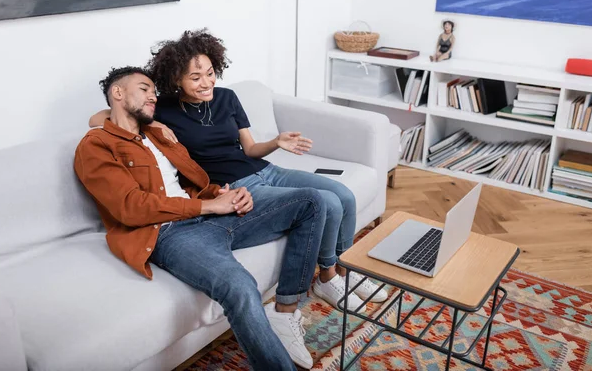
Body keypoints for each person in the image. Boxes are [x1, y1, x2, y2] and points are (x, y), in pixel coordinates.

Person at [89, 29, 388, 311]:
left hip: (266, 169)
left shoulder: (228, 98)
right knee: (328, 202)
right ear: (176, 79)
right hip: (236, 184)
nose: (206, 83)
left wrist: (275, 142)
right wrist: (154, 123)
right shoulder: (161, 107)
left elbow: (250, 149)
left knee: (343, 196)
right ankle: (327, 277)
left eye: (209, 74)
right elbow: (98, 117)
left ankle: (344, 272)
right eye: (195, 78)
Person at [75, 66, 329, 370]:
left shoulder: (158, 134)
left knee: (311, 201)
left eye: (154, 92)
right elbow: (132, 207)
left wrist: (220, 195)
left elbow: (189, 183)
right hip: (169, 233)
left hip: (207, 214)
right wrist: (209, 207)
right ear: (117, 93)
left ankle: (285, 310)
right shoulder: (96, 145)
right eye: (144, 89)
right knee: (240, 286)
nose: (152, 97)